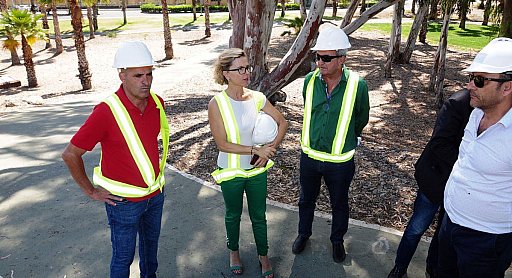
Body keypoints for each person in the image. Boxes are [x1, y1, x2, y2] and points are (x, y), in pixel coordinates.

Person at [61, 41, 169, 277]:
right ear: (122, 75)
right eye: (138, 75)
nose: (146, 81)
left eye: (149, 74)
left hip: (155, 197)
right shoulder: (106, 111)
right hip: (123, 203)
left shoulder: (158, 104)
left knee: (151, 254)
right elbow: (71, 154)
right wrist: (91, 191)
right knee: (123, 258)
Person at [291, 26, 370, 263]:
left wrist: (347, 138)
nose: (320, 63)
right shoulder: (309, 81)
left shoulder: (358, 86)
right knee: (306, 200)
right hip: (310, 158)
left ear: (342, 59)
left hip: (340, 162)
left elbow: (361, 118)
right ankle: (303, 234)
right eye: (317, 57)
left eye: (326, 58)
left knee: (339, 203)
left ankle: (337, 240)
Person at [208, 48, 288, 278]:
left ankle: (264, 257)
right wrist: (255, 149)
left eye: (247, 67)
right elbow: (222, 144)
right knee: (233, 215)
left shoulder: (257, 98)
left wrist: (268, 151)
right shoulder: (217, 104)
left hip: (256, 170)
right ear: (226, 74)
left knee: (259, 216)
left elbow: (283, 123)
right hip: (230, 171)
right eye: (239, 69)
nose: (246, 72)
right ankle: (234, 252)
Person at [438, 37, 512, 277]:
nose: (470, 86)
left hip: (486, 241)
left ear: (507, 86)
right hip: (451, 222)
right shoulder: (476, 112)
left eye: (479, 80)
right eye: (470, 78)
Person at [388, 89, 472, 278]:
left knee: (444, 235)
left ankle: (432, 269)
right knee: (417, 228)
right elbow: (439, 143)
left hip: (462, 187)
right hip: (437, 179)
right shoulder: (458, 102)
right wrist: (471, 165)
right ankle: (400, 267)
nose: (474, 86)